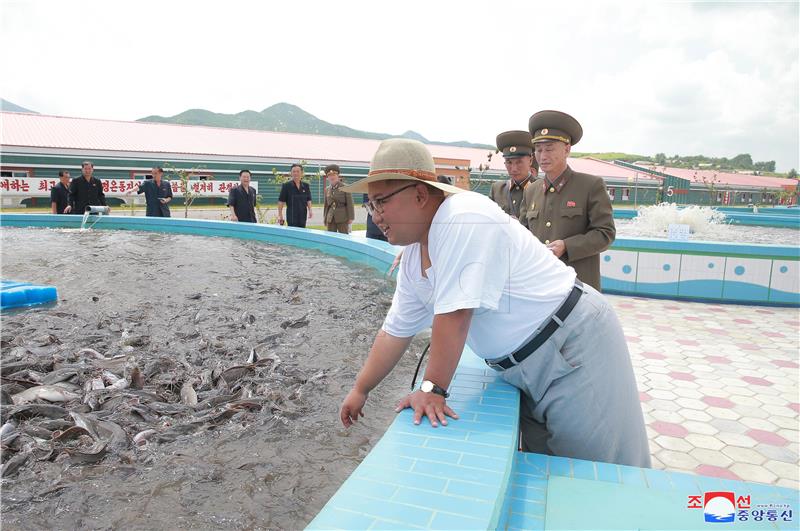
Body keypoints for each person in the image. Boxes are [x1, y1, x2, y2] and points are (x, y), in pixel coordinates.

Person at [338, 138, 650, 468]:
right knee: (547, 476)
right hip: (523, 364)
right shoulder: (415, 256)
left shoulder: (463, 217)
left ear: (419, 194)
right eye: (370, 205)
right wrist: (361, 389)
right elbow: (394, 332)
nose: (375, 216)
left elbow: (455, 315)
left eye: (380, 202)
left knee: (601, 474)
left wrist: (432, 390)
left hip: (572, 344)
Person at [519, 111, 615, 291]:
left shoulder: (590, 185)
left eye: (549, 148)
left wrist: (567, 246)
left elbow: (605, 234)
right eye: (538, 149)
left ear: (567, 149)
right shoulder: (531, 190)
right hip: (540, 285)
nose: (543, 156)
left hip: (578, 287)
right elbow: (524, 235)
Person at [489, 130, 538, 219]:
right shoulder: (497, 189)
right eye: (509, 162)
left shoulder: (541, 189)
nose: (514, 168)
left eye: (519, 162)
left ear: (530, 160)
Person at [277, 163, 313, 228]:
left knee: (302, 232)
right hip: (292, 217)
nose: (295, 173)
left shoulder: (306, 186)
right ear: (291, 173)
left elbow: (308, 199)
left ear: (302, 173)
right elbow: (281, 201)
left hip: (303, 216)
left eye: (297, 171)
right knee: (292, 234)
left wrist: (310, 210)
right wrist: (280, 215)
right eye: (293, 171)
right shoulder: (286, 186)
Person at [322, 164, 354, 233]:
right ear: (327, 177)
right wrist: (325, 218)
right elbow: (326, 206)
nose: (332, 177)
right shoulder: (327, 189)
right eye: (329, 175)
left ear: (338, 176)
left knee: (344, 237)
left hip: (342, 217)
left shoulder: (345, 187)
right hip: (330, 217)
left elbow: (350, 203)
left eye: (334, 175)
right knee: (331, 237)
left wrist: (351, 217)